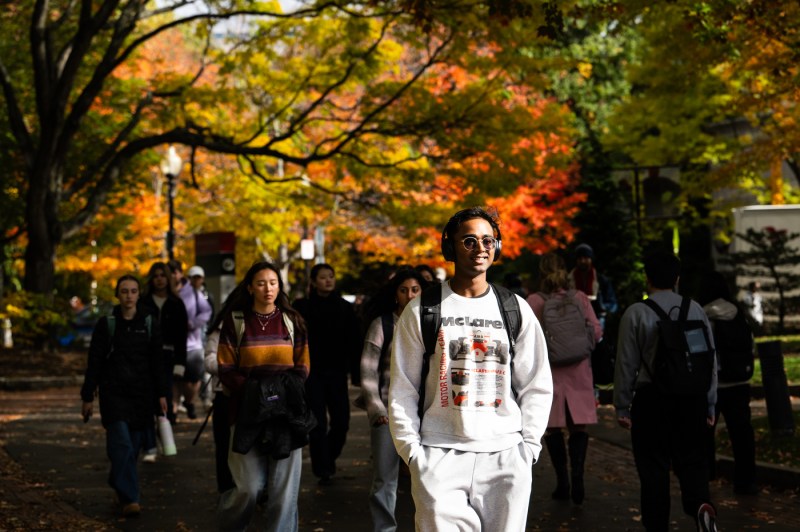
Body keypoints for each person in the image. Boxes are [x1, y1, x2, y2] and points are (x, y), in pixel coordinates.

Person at [389, 207, 553, 531]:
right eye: (469, 241)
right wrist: (412, 453)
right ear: (449, 247)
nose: (481, 248)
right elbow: (403, 387)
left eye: (488, 240)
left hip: (506, 457)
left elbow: (537, 383)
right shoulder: (422, 309)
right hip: (439, 455)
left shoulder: (514, 308)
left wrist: (528, 449)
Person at [614, 250, 719, 532]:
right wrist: (710, 404)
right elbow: (710, 360)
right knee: (693, 462)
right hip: (692, 400)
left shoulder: (636, 313)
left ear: (647, 277)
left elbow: (626, 363)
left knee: (653, 469)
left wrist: (622, 405)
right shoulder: (695, 309)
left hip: (652, 401)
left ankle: (657, 525)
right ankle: (700, 506)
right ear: (677, 278)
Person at [215, 261, 313, 531]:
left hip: (286, 414)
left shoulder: (292, 320)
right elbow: (225, 367)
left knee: (283, 493)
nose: (267, 288)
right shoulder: (236, 321)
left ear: (279, 286)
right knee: (248, 488)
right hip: (246, 412)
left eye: (272, 282)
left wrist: (282, 390)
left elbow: (303, 364)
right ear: (250, 288)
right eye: (260, 283)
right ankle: (229, 523)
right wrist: (254, 391)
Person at [80, 274, 168, 518]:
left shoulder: (149, 322)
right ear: (118, 295)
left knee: (132, 449)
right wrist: (88, 396)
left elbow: (158, 362)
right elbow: (94, 362)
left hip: (142, 396)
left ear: (139, 294)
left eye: (133, 291)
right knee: (121, 444)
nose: (129, 295)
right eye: (124, 291)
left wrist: (163, 394)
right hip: (114, 395)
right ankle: (130, 499)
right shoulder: (107, 324)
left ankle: (119, 482)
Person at [526, 253, 601, 504]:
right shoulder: (579, 297)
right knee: (578, 427)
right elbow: (597, 331)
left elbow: (525, 340)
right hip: (579, 370)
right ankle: (578, 477)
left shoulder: (534, 301)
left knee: (553, 427)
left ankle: (563, 482)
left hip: (549, 372)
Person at [360, 268, 428, 532]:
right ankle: (384, 528)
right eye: (403, 290)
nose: (409, 295)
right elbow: (367, 370)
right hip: (387, 412)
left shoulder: (432, 323)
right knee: (384, 479)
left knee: (427, 478)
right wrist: (376, 409)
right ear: (395, 294)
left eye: (415, 289)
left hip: (426, 414)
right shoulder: (382, 324)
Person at [293, 263, 362, 485]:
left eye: (331, 277)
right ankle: (323, 468)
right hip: (311, 372)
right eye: (323, 277)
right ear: (313, 281)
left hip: (337, 371)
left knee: (341, 421)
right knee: (318, 423)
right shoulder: (302, 307)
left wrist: (356, 373)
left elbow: (354, 341)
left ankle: (327, 458)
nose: (328, 281)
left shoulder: (344, 307)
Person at [698, 272, 758, 495]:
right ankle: (746, 481)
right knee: (742, 434)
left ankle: (706, 476)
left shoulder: (702, 315)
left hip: (712, 386)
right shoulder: (737, 313)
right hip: (739, 382)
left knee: (704, 434)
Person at [140, 262, 189, 432]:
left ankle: (164, 436)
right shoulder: (143, 303)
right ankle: (149, 441)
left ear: (168, 279)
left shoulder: (176, 304)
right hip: (145, 356)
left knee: (166, 396)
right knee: (147, 397)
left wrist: (180, 363)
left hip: (168, 355)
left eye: (162, 276)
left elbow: (182, 336)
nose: (159, 279)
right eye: (156, 276)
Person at [173, 264, 213, 420]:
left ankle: (189, 402)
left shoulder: (196, 294)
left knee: (193, 379)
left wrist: (193, 323)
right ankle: (173, 413)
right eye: (193, 277)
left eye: (199, 277)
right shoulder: (174, 293)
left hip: (193, 344)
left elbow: (208, 312)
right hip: (175, 345)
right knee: (175, 380)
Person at [569, 243, 618, 331]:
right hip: (574, 321)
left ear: (591, 259)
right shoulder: (568, 281)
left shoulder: (601, 280)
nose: (583, 261)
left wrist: (601, 306)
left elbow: (613, 304)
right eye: (580, 258)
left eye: (586, 258)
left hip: (597, 320)